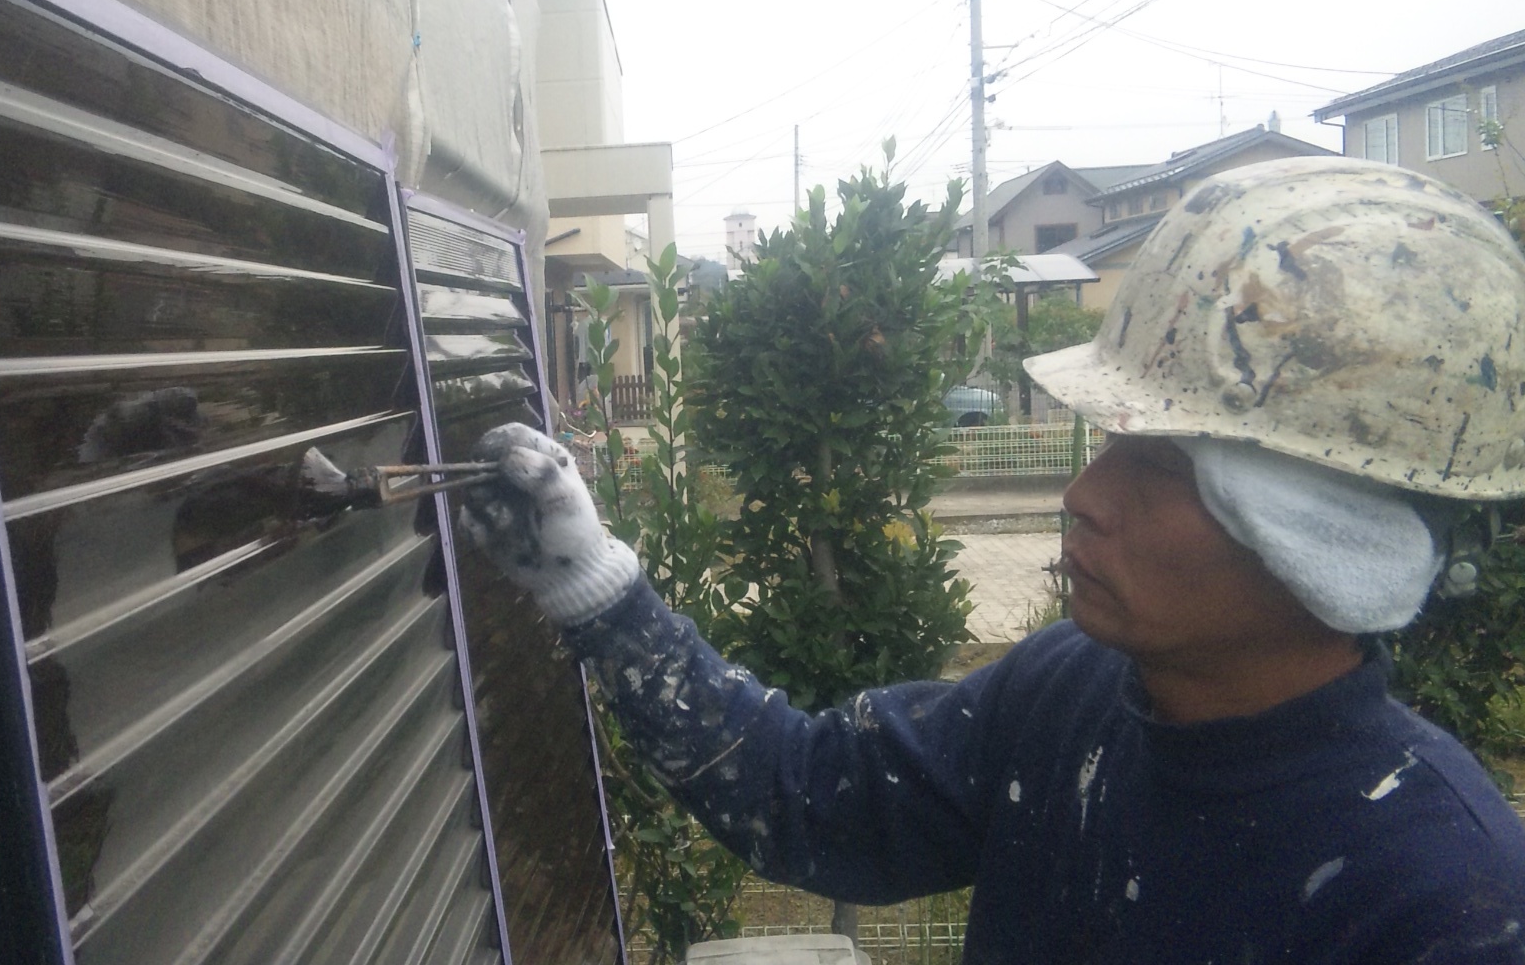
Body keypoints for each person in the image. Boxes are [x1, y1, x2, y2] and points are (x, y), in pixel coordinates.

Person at [460, 158, 1525, 963]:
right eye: (1110, 447)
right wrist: (591, 584)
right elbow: (809, 796)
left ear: (1329, 538)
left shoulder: (1440, 901)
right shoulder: (1069, 696)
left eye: (1160, 468)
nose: (1083, 495)